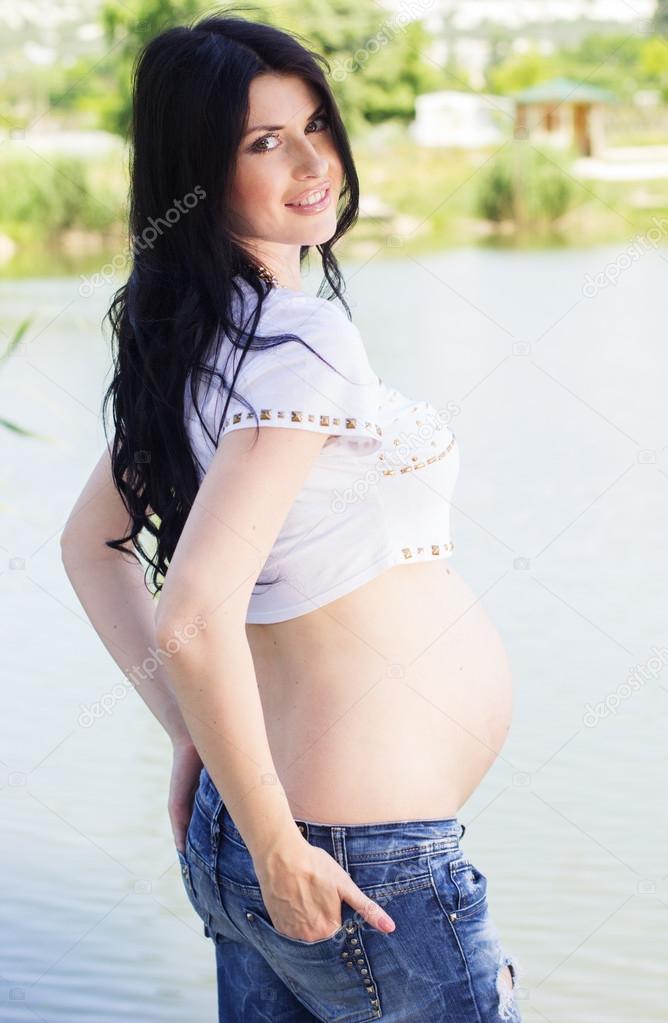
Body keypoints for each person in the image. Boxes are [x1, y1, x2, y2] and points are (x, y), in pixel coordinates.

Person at [60, 11, 523, 1022]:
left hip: (264, 826)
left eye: (316, 124)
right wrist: (275, 844)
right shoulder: (303, 343)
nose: (314, 162)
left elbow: (87, 549)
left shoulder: (190, 344)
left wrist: (201, 741)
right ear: (198, 169)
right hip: (348, 858)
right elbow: (190, 614)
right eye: (264, 142)